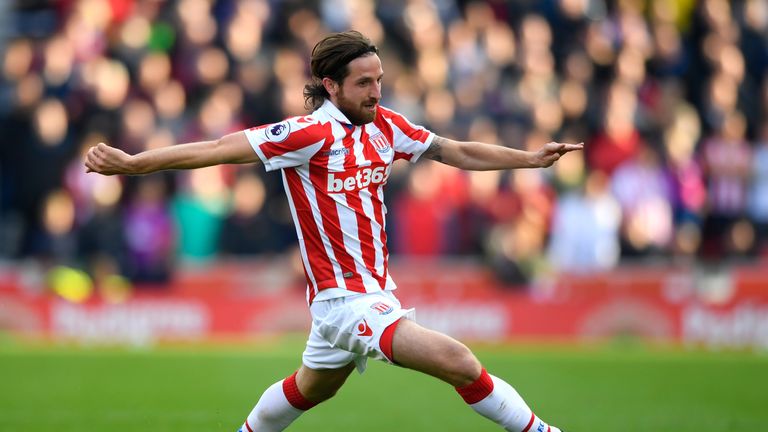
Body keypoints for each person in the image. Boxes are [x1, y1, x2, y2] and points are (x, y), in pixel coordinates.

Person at [85, 31, 581, 432]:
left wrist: (529, 160)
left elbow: (455, 151)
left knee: (311, 389)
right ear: (332, 85)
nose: (376, 91)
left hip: (367, 296)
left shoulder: (387, 126)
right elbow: (217, 148)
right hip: (346, 302)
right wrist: (134, 164)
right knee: (460, 361)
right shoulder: (308, 135)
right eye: (364, 82)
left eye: (380, 79)